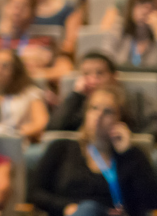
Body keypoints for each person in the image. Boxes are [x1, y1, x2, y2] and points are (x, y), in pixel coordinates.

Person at [30, 85, 157, 216]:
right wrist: (65, 208)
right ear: (85, 114)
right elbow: (35, 193)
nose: (99, 115)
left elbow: (151, 201)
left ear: (120, 119)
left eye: (108, 111)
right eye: (94, 108)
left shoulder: (132, 155)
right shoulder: (61, 148)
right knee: (88, 208)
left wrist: (128, 154)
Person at [49, 53, 157, 134]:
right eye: (86, 74)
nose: (92, 80)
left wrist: (134, 140)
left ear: (114, 76)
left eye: (99, 73)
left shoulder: (136, 100)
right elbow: (53, 129)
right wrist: (76, 94)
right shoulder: (78, 104)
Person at [0, 0, 68, 80]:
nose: (17, 8)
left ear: (33, 12)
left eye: (23, 5)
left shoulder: (45, 41)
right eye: (12, 3)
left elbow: (65, 68)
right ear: (4, 8)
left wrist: (39, 74)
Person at [0, 48, 48, 143]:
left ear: (15, 72)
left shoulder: (29, 93)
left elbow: (41, 122)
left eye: (4, 65)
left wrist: (18, 134)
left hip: (15, 143)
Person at [107, 0, 157, 69]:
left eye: (152, 7)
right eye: (140, 5)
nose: (145, 11)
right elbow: (106, 60)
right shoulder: (120, 28)